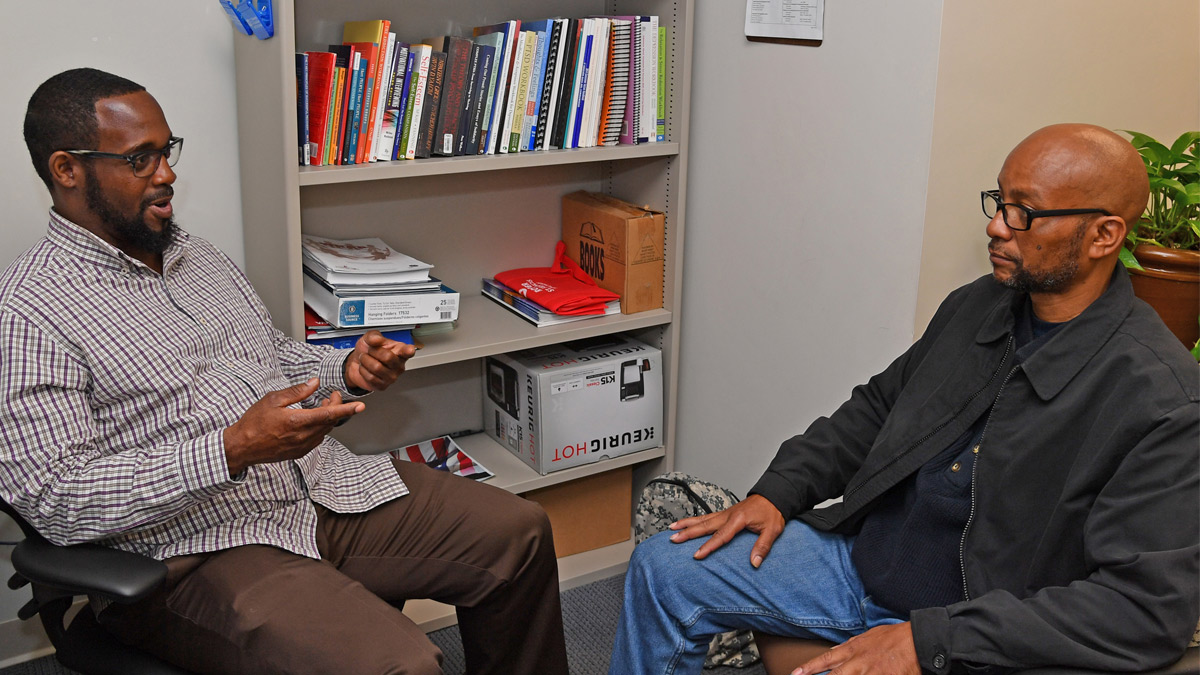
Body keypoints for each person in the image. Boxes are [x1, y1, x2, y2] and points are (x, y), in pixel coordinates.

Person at [1, 67, 569, 675]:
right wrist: (231, 449)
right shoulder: (30, 311)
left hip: (317, 490)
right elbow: (55, 499)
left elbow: (271, 355)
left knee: (518, 532)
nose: (167, 174)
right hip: (195, 553)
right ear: (67, 170)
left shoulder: (197, 256)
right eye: (140, 159)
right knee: (400, 665)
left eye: (167, 152)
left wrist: (347, 370)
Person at [611, 123, 1199, 675]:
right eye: (999, 201)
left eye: (1026, 213)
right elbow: (875, 408)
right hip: (864, 562)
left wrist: (930, 640)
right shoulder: (977, 306)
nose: (997, 226)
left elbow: (1145, 610)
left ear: (1103, 236)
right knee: (665, 566)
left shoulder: (1162, 401)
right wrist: (777, 492)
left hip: (973, 623)